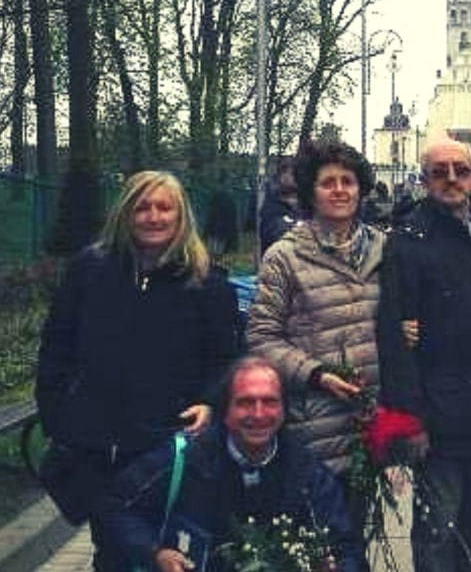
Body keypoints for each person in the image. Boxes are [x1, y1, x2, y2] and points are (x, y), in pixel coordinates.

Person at [36, 170, 238, 571]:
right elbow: (56, 350)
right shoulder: (88, 272)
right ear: (126, 213)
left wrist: (210, 403)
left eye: (165, 207)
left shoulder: (207, 284)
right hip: (97, 448)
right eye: (143, 207)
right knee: (114, 551)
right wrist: (60, 419)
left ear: (182, 217)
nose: (154, 216)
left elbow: (224, 360)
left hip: (167, 446)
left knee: (171, 551)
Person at [377, 137, 471, 571]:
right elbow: (394, 339)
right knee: (438, 528)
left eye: (461, 170)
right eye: (440, 172)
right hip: (439, 414)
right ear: (424, 181)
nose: (452, 179)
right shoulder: (408, 241)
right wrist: (411, 418)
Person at [246, 139, 386, 547]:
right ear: (310, 191)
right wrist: (317, 374)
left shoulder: (385, 249)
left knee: (353, 547)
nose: (340, 190)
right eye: (328, 182)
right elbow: (261, 336)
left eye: (348, 181)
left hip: (366, 427)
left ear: (361, 189)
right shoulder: (284, 257)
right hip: (312, 429)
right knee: (313, 546)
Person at [103, 356, 366, 572]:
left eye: (270, 402)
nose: (259, 414)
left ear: (284, 411)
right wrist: (155, 553)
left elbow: (345, 545)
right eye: (245, 402)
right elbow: (117, 507)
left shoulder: (307, 472)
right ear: (225, 411)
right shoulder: (184, 458)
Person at [259, 156, 303, 254]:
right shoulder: (272, 205)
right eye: (284, 171)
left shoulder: (307, 205)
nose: (287, 176)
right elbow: (276, 234)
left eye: (292, 173)